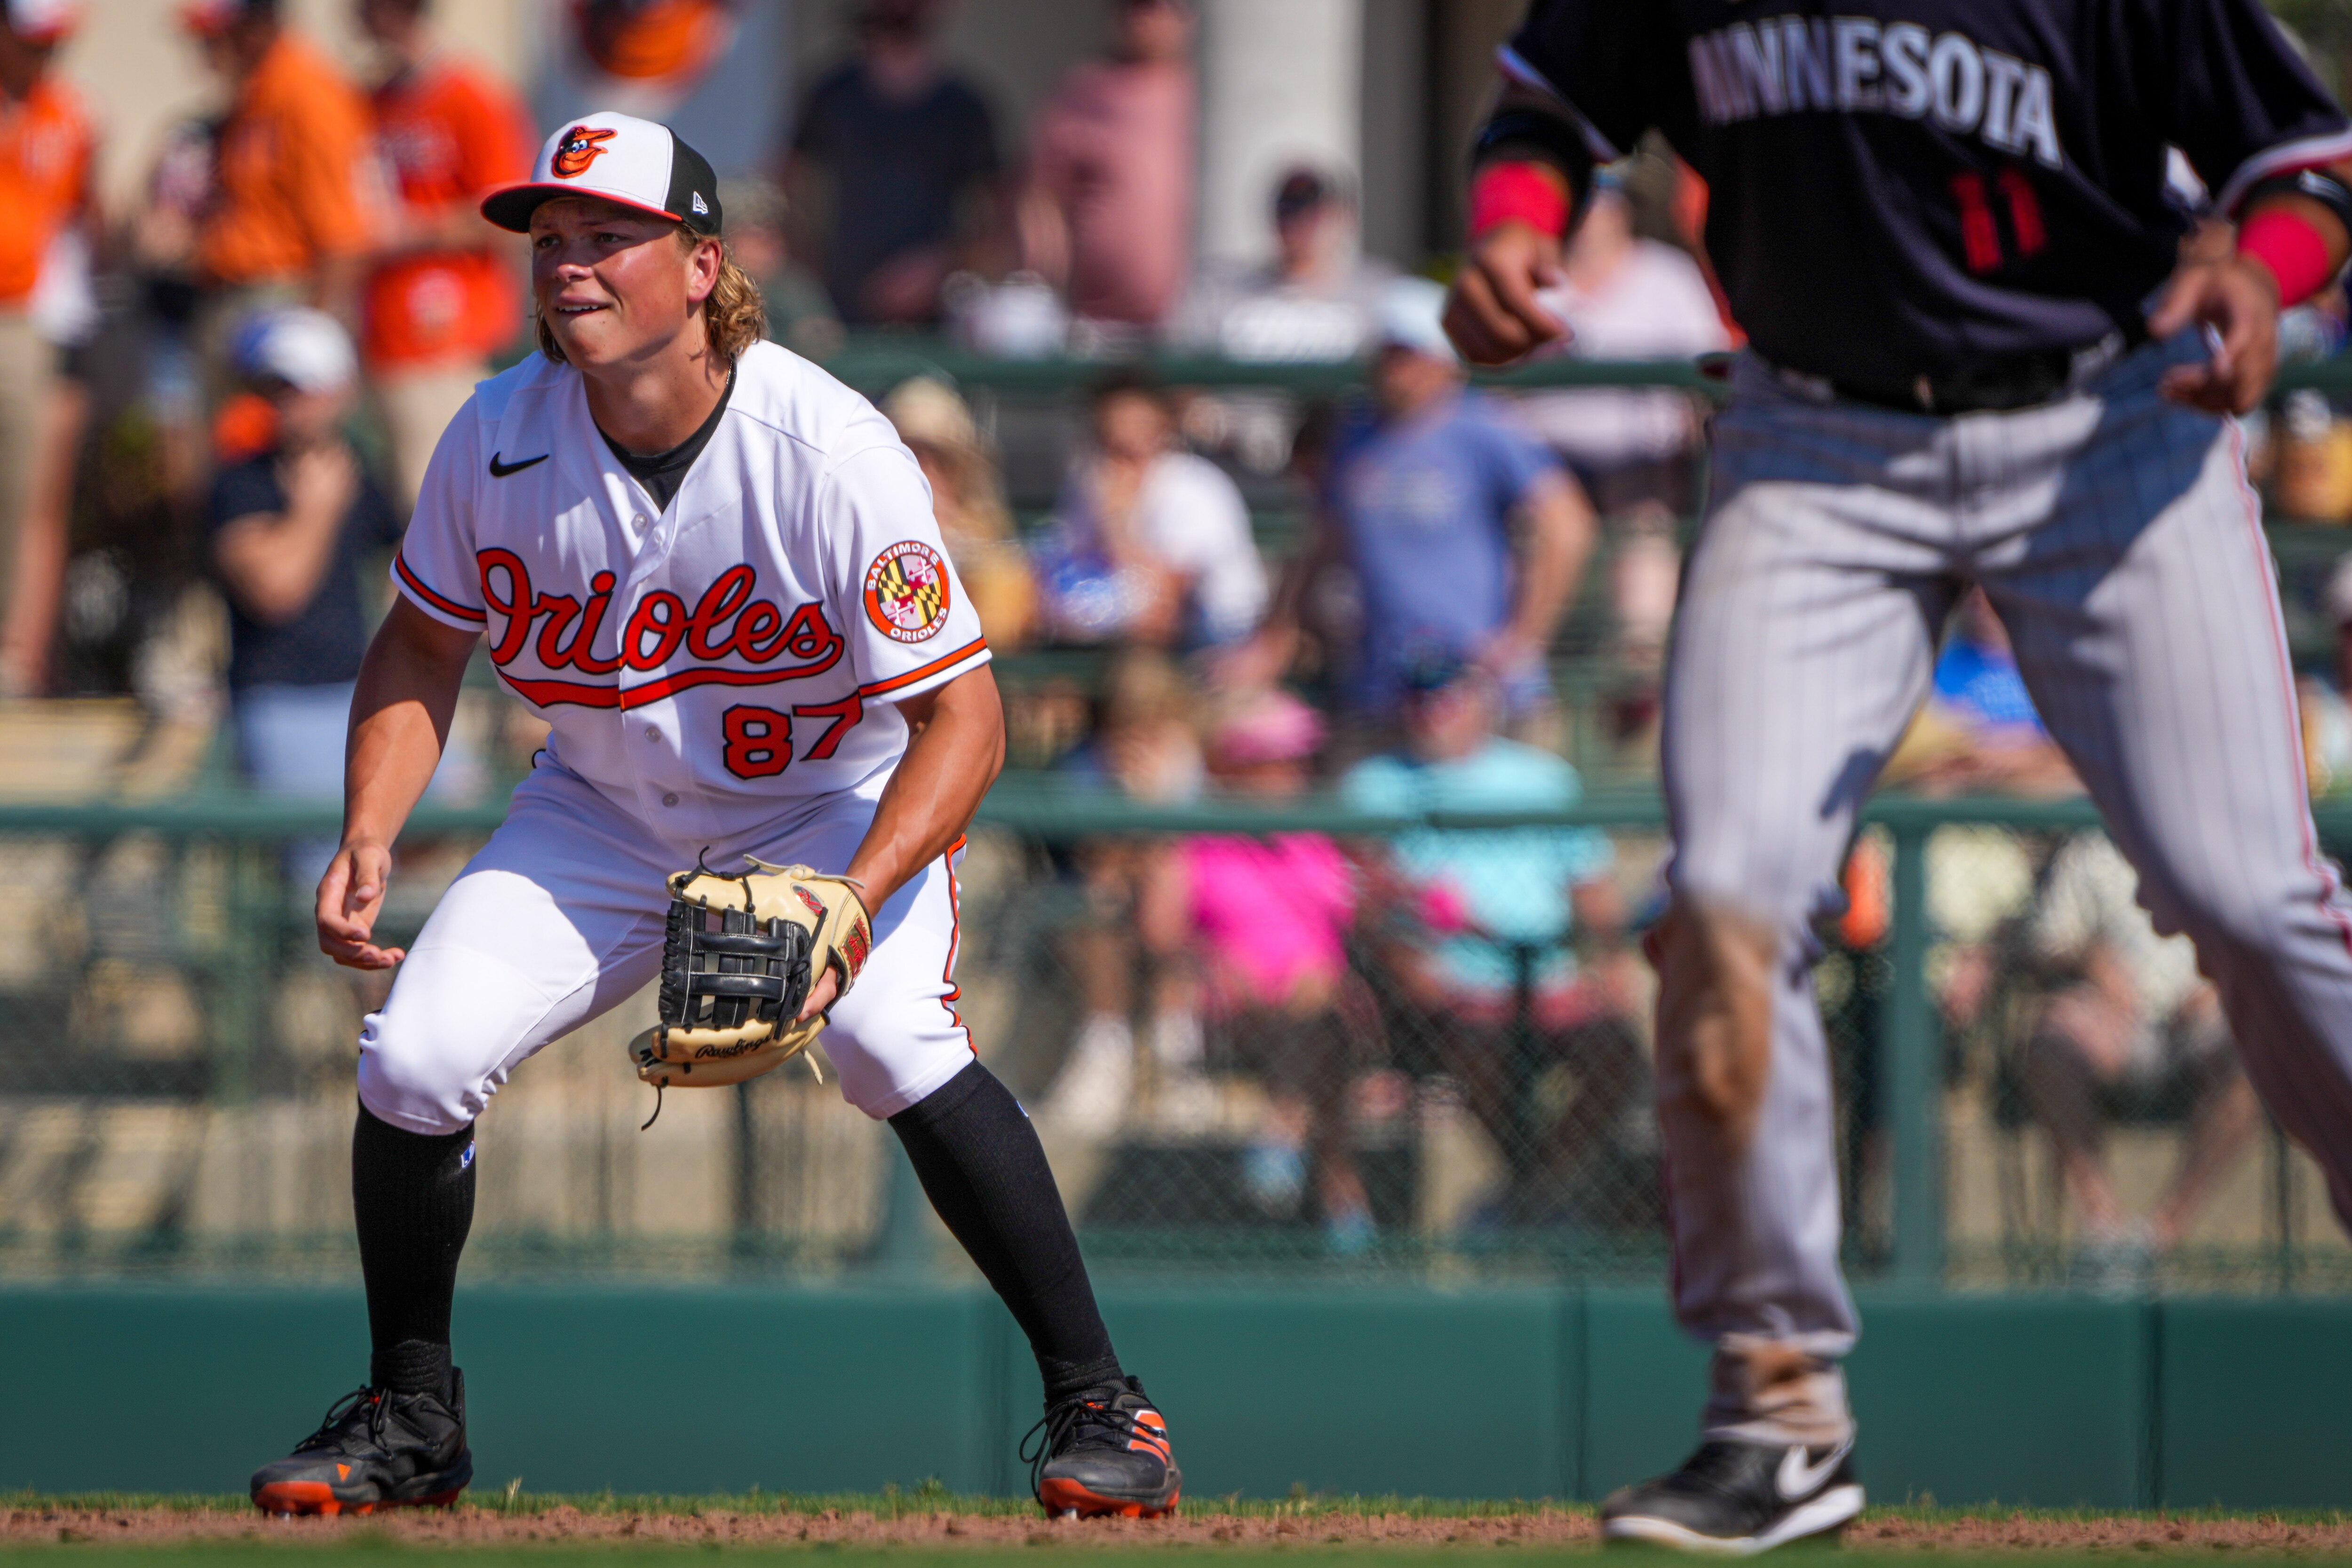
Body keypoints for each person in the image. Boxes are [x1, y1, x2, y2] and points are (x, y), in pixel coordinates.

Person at [1449, 0, 2352, 1551]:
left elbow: (2308, 162)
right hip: (1814, 441)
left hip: (2114, 421)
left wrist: (2264, 269)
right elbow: (1546, 108)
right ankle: (1776, 1405)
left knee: (2250, 895)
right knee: (1728, 896)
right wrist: (1511, 229)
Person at [246, 111, 1180, 1522]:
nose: (566, 264)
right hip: (601, 810)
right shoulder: (497, 434)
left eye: (607, 237)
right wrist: (373, 820)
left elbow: (966, 719)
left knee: (884, 1037)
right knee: (418, 1054)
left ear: (699, 266)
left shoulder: (826, 447)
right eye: (550, 240)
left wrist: (853, 895)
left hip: (826, 801)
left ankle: (1104, 1402)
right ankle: (410, 1417)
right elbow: (421, 642)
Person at [1340, 655, 1643, 1228]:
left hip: (1548, 978)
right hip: (1449, 989)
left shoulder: (1542, 778)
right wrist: (1418, 972)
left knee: (1617, 1055)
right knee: (1478, 1053)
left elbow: (1590, 884)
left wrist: (1609, 968)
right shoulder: (1373, 786)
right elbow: (1364, 904)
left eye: (1446, 695)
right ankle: (1534, 1204)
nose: (1431, 712)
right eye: (1417, 697)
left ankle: (1525, 1198)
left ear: (1481, 700)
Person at [1243, 278, 1594, 748]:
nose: (1395, 369)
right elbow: (1323, 539)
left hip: (1482, 696)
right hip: (1383, 691)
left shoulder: (1484, 427)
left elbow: (1567, 525)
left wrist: (1521, 640)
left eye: (1407, 353)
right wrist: (1275, 633)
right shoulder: (1355, 435)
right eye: (1388, 353)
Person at [1138, 689, 1372, 1251]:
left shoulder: (1320, 839)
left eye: (1296, 760)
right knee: (1314, 1014)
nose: (1289, 774)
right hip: (1229, 1008)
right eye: (1271, 761)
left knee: (1315, 998)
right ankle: (1342, 1194)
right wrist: (1207, 959)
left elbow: (1363, 918)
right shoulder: (1191, 841)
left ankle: (1283, 1129)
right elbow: (1158, 935)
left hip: (1320, 1010)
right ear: (1234, 768)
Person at [207, 307, 405, 872]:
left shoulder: (360, 471)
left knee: (449, 814)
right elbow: (276, 590)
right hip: (281, 700)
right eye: (275, 389)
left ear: (340, 392)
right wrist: (315, 511)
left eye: (301, 389)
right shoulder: (239, 481)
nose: (287, 405)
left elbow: (416, 561)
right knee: (322, 870)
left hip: (362, 696)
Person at [2021, 832, 2260, 1287]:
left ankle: (2158, 1236)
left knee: (2250, 1060)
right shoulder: (2090, 849)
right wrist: (2092, 959)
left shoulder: (2217, 844)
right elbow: (2045, 941)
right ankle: (2104, 1230)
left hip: (2203, 1023)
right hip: (2116, 1026)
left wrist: (2223, 981)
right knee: (2050, 1036)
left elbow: (2262, 936)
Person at [355, 0, 534, 509]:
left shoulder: (470, 94)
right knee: (401, 509)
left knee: (446, 505)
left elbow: (507, 211)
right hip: (381, 329)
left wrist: (411, 230)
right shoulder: (373, 98)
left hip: (448, 331)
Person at [785, 0, 1003, 327]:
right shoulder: (831, 97)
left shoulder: (966, 109)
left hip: (938, 321)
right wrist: (808, 275)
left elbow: (996, 221)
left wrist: (942, 266)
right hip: (840, 314)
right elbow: (787, 185)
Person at [0, 0, 97, 697]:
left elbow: (78, 231)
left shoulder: (66, 117)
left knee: (23, 494)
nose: (46, 57)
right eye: (35, 42)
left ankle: (16, 654)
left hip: (28, 325)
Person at [1031, 370, 1266, 653]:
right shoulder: (1088, 484)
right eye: (1113, 443)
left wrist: (1116, 520)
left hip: (1215, 647)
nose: (1127, 452)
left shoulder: (1193, 486)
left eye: (1139, 435)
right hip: (1113, 640)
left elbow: (1164, 609)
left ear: (1162, 430)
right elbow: (1063, 574)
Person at [181, 0, 378, 335]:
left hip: (283, 299)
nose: (207, 51)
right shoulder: (255, 96)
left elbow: (343, 237)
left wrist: (311, 333)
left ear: (258, 28)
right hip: (234, 298)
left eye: (217, 37)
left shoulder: (308, 97)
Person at [1018, 0, 1195, 347]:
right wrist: (1045, 282)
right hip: (1100, 324)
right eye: (1135, 10)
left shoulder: (1206, 94)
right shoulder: (1086, 92)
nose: (1146, 21)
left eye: (1158, 10)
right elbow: (1042, 199)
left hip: (1190, 328)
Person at [1175, 167, 1394, 363]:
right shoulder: (1220, 290)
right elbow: (1182, 364)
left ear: (1345, 218)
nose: (1299, 222)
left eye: (1313, 212)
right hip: (1244, 409)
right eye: (1288, 209)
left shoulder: (1380, 293)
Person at [882, 376, 1036, 651]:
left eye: (937, 459)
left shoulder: (991, 545)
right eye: (911, 455)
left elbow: (1001, 632)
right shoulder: (870, 533)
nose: (924, 470)